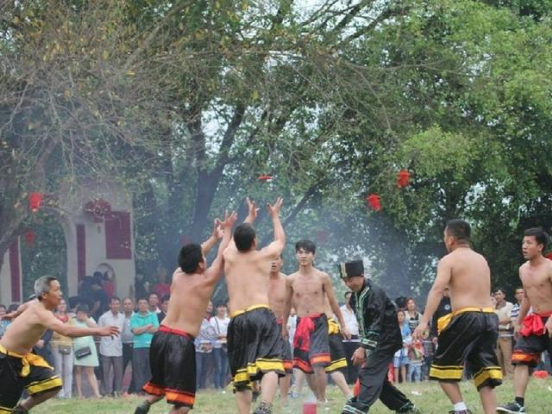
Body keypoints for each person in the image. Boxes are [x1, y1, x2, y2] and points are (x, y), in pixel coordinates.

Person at [134, 211, 236, 414]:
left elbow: (190, 256)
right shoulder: (206, 280)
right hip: (180, 341)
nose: (204, 258)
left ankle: (144, 404)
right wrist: (227, 231)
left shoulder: (177, 275)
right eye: (202, 258)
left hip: (160, 336)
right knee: (183, 404)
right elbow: (221, 256)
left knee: (162, 384)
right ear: (200, 264)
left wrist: (213, 237)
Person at [413, 219, 502, 414]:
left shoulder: (449, 260)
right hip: (489, 317)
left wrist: (424, 321)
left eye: (445, 237)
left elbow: (438, 290)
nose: (444, 240)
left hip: (466, 317)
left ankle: (461, 410)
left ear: (451, 239)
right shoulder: (481, 259)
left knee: (441, 367)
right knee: (484, 372)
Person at [0, 276, 118, 412]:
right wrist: (98, 330)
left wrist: (14, 314)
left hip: (23, 358)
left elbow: (23, 306)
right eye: (56, 290)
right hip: (6, 360)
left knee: (53, 384)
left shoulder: (35, 303)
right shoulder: (42, 313)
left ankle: (22, 409)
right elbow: (66, 330)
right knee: (4, 408)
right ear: (44, 295)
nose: (60, 293)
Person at [223, 197, 286, 414]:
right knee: (271, 363)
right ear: (254, 242)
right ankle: (265, 406)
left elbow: (234, 240)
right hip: (260, 313)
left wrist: (249, 217)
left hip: (237, 318)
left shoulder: (229, 256)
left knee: (242, 376)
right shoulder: (263, 257)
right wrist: (274, 216)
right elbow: (280, 241)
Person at [339, 260, 420, 414]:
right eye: (345, 281)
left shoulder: (375, 293)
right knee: (380, 382)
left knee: (369, 373)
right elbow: (364, 324)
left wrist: (363, 348)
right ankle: (406, 408)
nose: (348, 284)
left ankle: (355, 410)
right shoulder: (354, 297)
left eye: (350, 279)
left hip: (386, 341)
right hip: (375, 341)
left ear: (361, 275)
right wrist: (364, 346)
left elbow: (377, 322)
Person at [282, 239, 350, 406]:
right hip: (301, 323)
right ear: (296, 255)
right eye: (300, 252)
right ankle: (316, 396)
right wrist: (283, 326)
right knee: (305, 367)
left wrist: (343, 324)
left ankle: (321, 399)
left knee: (319, 363)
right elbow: (287, 304)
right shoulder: (291, 279)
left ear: (314, 255)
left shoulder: (322, 277)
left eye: (307, 252)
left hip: (319, 322)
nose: (303, 256)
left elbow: (333, 302)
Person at [498, 228, 552, 414]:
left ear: (540, 246)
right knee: (520, 358)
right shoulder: (523, 269)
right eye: (523, 242)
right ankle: (518, 404)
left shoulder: (550, 267)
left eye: (529, 243)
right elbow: (527, 297)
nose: (524, 246)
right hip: (535, 320)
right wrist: (518, 322)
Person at [267, 256, 292, 406]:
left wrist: (286, 322)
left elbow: (292, 303)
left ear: (282, 262)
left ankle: (284, 398)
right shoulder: (259, 280)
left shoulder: (287, 281)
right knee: (261, 363)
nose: (273, 262)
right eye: (270, 259)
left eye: (276, 259)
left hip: (280, 325)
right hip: (262, 326)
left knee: (285, 362)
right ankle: (262, 395)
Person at [73, 304, 102, 398]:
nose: (81, 315)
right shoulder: (73, 321)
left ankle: (96, 393)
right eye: (79, 313)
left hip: (89, 348)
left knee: (90, 371)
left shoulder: (90, 320)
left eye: (83, 313)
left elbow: (97, 329)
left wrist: (86, 319)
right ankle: (79, 393)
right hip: (77, 348)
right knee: (78, 371)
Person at [131, 298, 159, 393]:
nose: (143, 305)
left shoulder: (153, 315)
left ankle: (149, 390)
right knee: (139, 369)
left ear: (147, 305)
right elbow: (135, 331)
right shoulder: (134, 317)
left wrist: (141, 329)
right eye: (140, 303)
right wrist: (147, 326)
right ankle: (140, 391)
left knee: (150, 369)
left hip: (151, 346)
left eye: (144, 303)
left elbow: (156, 330)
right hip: (138, 347)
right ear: (137, 305)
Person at [98, 296, 125, 396]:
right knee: (105, 372)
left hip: (118, 348)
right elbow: (98, 332)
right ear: (110, 305)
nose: (115, 306)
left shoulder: (122, 317)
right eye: (113, 304)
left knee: (118, 372)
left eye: (117, 304)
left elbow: (122, 332)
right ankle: (105, 393)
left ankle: (118, 392)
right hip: (106, 348)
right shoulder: (103, 317)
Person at [51, 298, 74, 399]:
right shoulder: (52, 318)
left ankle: (68, 394)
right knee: (58, 369)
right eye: (60, 304)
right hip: (56, 345)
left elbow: (72, 331)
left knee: (69, 369)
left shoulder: (70, 319)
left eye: (64, 303)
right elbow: (53, 333)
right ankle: (59, 393)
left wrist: (62, 332)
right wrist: (64, 332)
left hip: (68, 345)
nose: (62, 305)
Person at [493, 288, 514, 379]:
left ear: (504, 295)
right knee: (497, 356)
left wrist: (496, 322)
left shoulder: (509, 305)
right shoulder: (492, 306)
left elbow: (510, 319)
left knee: (507, 356)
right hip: (494, 333)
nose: (497, 296)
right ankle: (500, 376)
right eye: (496, 294)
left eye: (500, 294)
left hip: (505, 332)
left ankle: (510, 376)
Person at [210, 302, 231, 391]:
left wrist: (224, 336)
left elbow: (232, 332)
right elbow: (211, 333)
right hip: (216, 347)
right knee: (218, 366)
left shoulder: (228, 320)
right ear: (216, 309)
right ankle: (217, 386)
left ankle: (223, 386)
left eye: (223, 307)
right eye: (220, 307)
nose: (222, 309)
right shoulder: (213, 320)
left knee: (225, 367)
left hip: (226, 346)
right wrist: (223, 336)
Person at [195, 301, 216, 390]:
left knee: (205, 368)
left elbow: (215, 335)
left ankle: (202, 386)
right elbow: (193, 335)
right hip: (198, 349)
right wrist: (201, 346)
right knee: (198, 368)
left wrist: (211, 345)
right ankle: (195, 386)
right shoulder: (196, 319)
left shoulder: (212, 320)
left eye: (211, 305)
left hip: (209, 349)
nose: (209, 307)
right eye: (207, 304)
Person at [340, 292, 360, 384]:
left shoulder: (358, 310)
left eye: (351, 298)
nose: (350, 300)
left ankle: (355, 380)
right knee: (344, 359)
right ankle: (345, 380)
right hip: (343, 338)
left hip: (356, 338)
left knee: (355, 359)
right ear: (345, 299)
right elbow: (335, 323)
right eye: (348, 298)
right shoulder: (340, 311)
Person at [121, 297, 135, 394]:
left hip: (134, 345)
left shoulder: (137, 317)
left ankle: (132, 390)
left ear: (133, 305)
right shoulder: (119, 317)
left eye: (129, 304)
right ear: (122, 306)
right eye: (125, 304)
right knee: (120, 368)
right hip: (122, 345)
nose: (127, 306)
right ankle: (116, 390)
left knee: (135, 369)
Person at [394, 310, 411, 383]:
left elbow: (409, 338)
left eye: (402, 315)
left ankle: (404, 381)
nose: (400, 317)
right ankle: (396, 381)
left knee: (403, 365)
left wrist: (405, 343)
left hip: (404, 348)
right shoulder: (394, 327)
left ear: (404, 317)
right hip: (396, 349)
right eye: (398, 315)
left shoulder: (406, 326)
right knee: (396, 366)